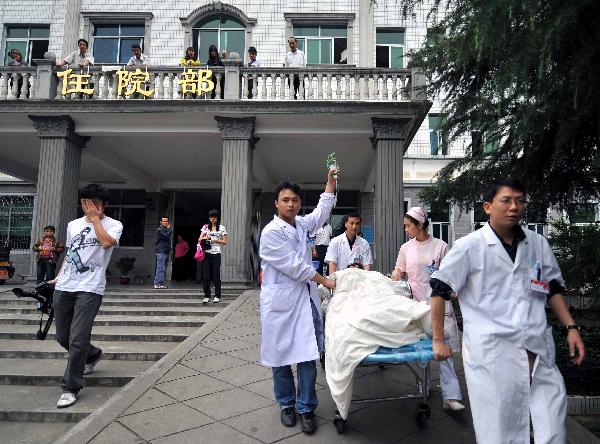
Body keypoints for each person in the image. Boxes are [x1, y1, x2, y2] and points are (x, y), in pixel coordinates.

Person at [429, 178, 586, 444]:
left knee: (551, 419)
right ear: (488, 207)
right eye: (506, 201)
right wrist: (438, 339)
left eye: (520, 201)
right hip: (493, 350)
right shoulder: (469, 246)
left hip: (534, 344)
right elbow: (440, 290)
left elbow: (553, 288)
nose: (514, 207)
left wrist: (571, 327)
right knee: (500, 427)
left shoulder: (537, 243)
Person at [260, 168, 337, 435]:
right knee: (280, 359)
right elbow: (295, 266)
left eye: (295, 200)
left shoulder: (302, 225)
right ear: (276, 203)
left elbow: (320, 214)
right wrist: (324, 280)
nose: (291, 204)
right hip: (280, 303)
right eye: (285, 200)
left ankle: (306, 408)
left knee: (307, 358)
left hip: (304, 301)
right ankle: (286, 405)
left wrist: (330, 184)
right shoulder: (271, 233)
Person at [47, 184, 123, 409]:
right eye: (85, 204)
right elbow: (71, 253)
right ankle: (93, 354)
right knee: (63, 337)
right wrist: (58, 276)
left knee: (77, 339)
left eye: (94, 205)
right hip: (65, 286)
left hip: (90, 288)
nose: (89, 209)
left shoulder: (114, 224)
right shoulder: (73, 225)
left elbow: (107, 243)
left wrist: (95, 220)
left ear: (104, 205)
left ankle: (70, 387)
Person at [391, 207, 464, 411]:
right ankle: (423, 386)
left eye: (408, 226)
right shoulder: (406, 248)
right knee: (421, 351)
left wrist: (453, 289)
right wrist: (396, 274)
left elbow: (450, 274)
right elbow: (400, 269)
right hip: (417, 305)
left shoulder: (440, 246)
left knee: (444, 351)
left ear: (420, 224)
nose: (406, 230)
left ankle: (451, 397)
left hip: (438, 304)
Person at [199, 210, 228, 303]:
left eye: (214, 217)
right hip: (207, 253)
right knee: (206, 276)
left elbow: (225, 242)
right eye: (211, 217)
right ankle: (207, 296)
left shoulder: (222, 228)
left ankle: (217, 296)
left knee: (216, 276)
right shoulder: (205, 227)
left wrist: (215, 240)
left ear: (217, 218)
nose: (212, 219)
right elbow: (199, 239)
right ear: (209, 218)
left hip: (216, 254)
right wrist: (205, 238)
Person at [154, 216, 172, 289]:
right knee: (160, 268)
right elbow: (166, 236)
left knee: (163, 268)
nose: (165, 222)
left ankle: (160, 283)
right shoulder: (159, 230)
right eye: (164, 221)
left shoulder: (165, 230)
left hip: (165, 251)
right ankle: (158, 284)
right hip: (161, 251)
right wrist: (169, 229)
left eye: (166, 221)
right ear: (161, 222)